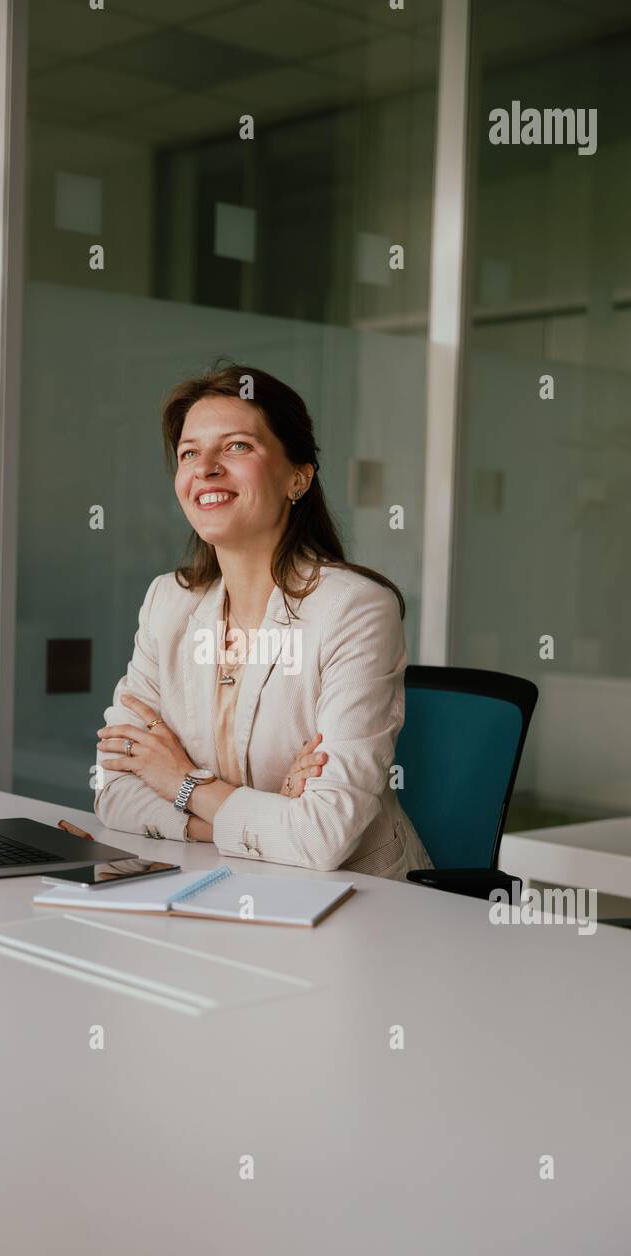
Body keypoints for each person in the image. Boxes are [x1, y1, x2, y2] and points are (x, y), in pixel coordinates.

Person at [94, 363, 433, 879]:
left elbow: (322, 837)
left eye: (236, 447)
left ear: (298, 477)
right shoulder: (169, 601)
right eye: (189, 453)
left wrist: (181, 780)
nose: (205, 468)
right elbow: (114, 790)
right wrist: (255, 817)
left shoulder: (354, 609)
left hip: (355, 902)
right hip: (220, 882)